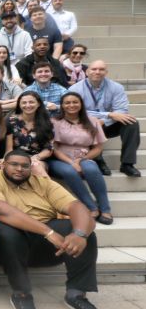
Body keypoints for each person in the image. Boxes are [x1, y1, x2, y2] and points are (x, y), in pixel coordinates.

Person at [0, 150, 110, 309]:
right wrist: (48, 232)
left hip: (46, 246)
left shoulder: (44, 183)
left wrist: (79, 234)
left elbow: (76, 206)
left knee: (84, 231)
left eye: (25, 166)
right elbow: (1, 211)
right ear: (2, 165)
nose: (19, 169)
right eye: (14, 164)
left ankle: (76, 295)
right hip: (4, 248)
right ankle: (21, 294)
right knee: (6, 230)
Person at [69, 60, 141, 177]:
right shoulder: (75, 89)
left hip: (108, 125)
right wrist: (108, 115)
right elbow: (74, 111)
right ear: (87, 72)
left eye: (101, 69)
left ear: (106, 72)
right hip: (87, 125)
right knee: (91, 123)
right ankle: (99, 161)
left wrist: (103, 120)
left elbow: (121, 111)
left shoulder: (116, 87)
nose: (97, 72)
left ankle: (127, 164)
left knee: (132, 123)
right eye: (94, 69)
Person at [48, 93, 112, 224]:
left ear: (81, 104)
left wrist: (80, 160)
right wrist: (71, 162)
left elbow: (98, 148)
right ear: (62, 105)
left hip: (84, 156)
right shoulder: (55, 122)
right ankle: (91, 207)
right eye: (67, 103)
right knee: (69, 171)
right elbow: (54, 148)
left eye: (75, 102)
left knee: (92, 169)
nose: (71, 105)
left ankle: (105, 208)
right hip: (60, 158)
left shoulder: (92, 121)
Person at [5, 91, 54, 178]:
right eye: (24, 103)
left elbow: (49, 149)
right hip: (17, 158)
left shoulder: (47, 122)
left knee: (35, 166)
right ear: (19, 105)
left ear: (38, 104)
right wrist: (8, 160)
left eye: (31, 102)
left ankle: (52, 191)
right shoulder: (11, 121)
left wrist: (35, 158)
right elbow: (9, 149)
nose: (27, 105)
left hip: (38, 159)